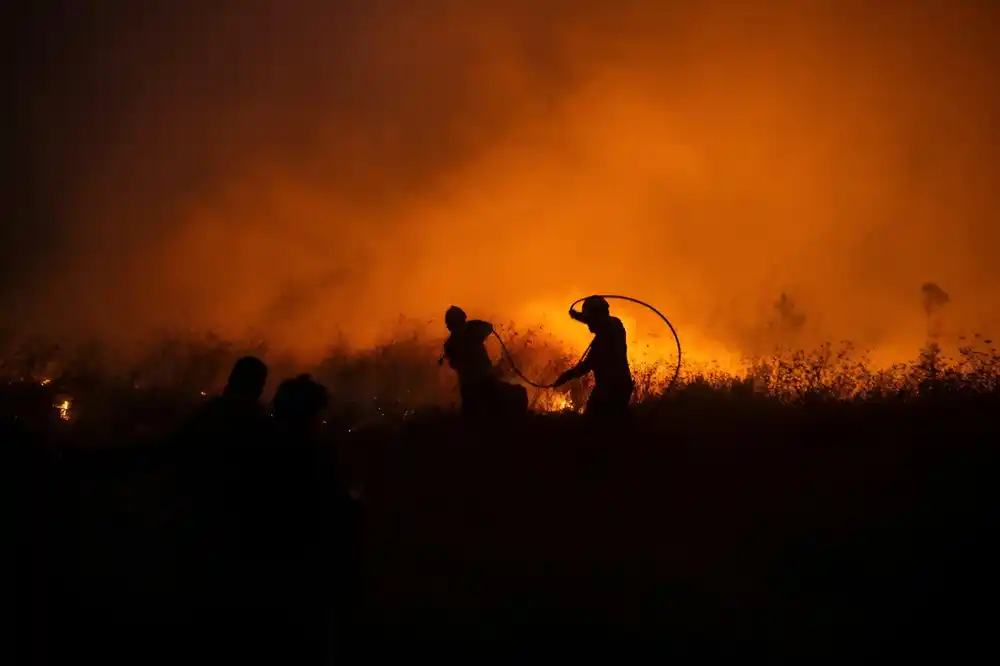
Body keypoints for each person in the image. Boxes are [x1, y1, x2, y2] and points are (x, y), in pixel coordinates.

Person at [552, 296, 634, 423]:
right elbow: (600, 320)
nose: (588, 324)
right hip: (622, 387)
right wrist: (577, 316)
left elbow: (586, 367)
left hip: (609, 390)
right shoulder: (616, 325)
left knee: (591, 427)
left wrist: (565, 377)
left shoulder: (602, 342)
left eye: (589, 319)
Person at [439, 306, 501, 420]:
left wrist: (474, 324)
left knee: (492, 412)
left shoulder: (473, 331)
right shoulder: (451, 344)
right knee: (473, 415)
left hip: (483, 379)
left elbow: (489, 327)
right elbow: (454, 364)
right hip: (470, 384)